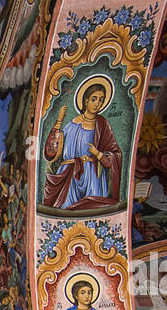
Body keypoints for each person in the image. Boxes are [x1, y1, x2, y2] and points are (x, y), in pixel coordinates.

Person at [43, 80, 122, 212]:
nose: (97, 104)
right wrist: (59, 121)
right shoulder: (70, 125)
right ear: (85, 101)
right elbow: (51, 152)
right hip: (69, 175)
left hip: (92, 176)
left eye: (101, 100)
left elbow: (115, 155)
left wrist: (98, 154)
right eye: (94, 99)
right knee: (65, 211)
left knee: (93, 212)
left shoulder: (102, 125)